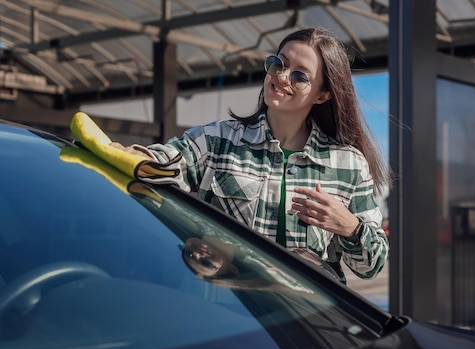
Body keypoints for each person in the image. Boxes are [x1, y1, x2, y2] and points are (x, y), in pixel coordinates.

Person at [112, 27, 391, 281]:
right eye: (278, 63)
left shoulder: (349, 163)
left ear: (322, 95)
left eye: (299, 76)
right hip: (230, 311)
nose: (281, 77)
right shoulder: (217, 140)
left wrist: (351, 227)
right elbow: (165, 162)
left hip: (312, 324)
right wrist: (133, 155)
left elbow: (372, 267)